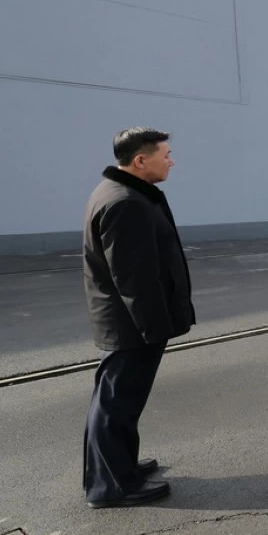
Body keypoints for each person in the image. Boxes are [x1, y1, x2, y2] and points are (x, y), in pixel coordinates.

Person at [82, 127, 192, 508]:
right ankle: (110, 486)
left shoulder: (125, 195)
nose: (172, 160)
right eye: (166, 154)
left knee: (120, 402)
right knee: (115, 405)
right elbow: (133, 278)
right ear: (140, 160)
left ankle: (121, 467)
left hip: (128, 324)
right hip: (131, 326)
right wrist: (154, 329)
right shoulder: (125, 202)